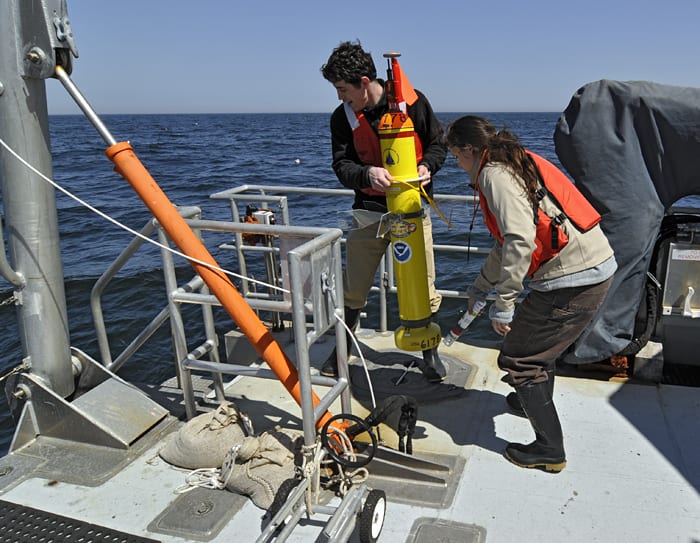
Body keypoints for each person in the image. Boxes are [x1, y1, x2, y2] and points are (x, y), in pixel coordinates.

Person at [445, 115, 617, 472]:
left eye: (457, 157)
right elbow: (508, 242)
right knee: (538, 344)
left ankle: (549, 450)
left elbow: (520, 240)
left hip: (574, 279)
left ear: (467, 149)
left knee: (520, 358)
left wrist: (504, 304)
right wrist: (481, 285)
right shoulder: (509, 162)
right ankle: (529, 403)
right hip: (588, 267)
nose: (459, 166)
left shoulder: (493, 175)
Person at [320, 41, 447, 382]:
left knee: (424, 283)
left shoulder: (413, 103)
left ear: (364, 82)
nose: (339, 97)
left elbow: (438, 144)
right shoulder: (341, 118)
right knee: (354, 287)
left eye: (343, 89)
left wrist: (427, 166)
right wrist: (366, 174)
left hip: (412, 211)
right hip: (368, 214)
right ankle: (343, 349)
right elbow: (341, 165)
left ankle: (428, 352)